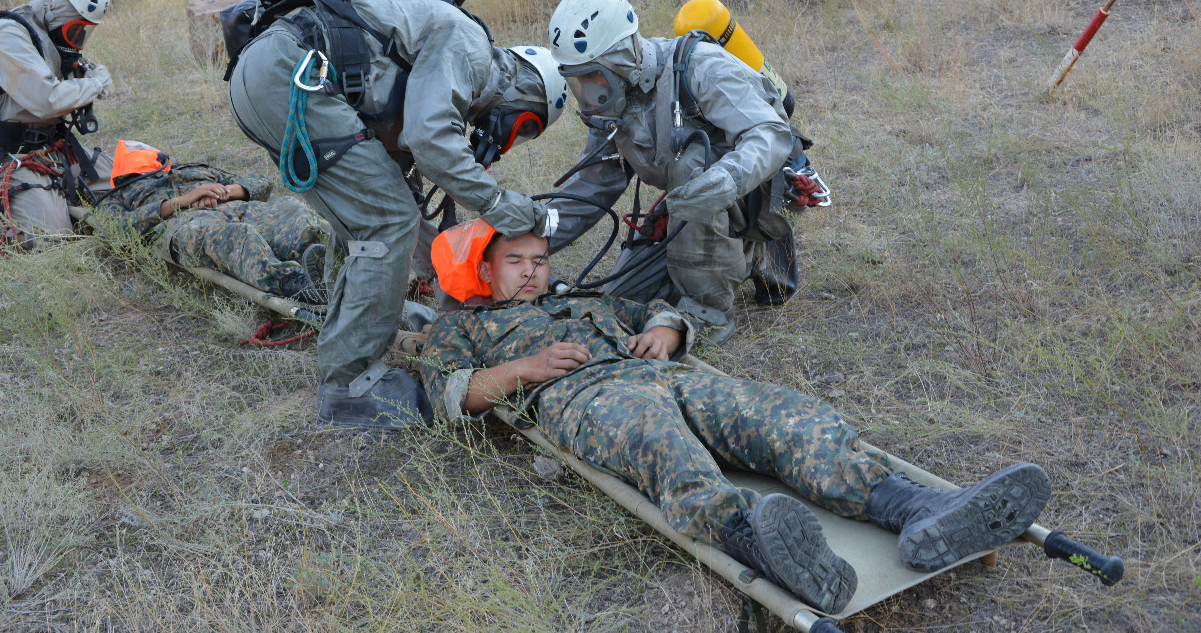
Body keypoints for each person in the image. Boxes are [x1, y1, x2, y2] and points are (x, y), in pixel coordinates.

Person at [419, 228, 1052, 615]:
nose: (531, 271)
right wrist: (525, 367)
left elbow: (655, 310)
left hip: (666, 375)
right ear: (485, 270)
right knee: (661, 444)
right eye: (515, 262)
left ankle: (915, 508)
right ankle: (759, 544)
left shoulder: (590, 302)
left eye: (539, 260)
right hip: (582, 397)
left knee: (784, 417)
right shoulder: (465, 326)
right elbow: (450, 394)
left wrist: (666, 330)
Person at [228, 0, 567, 428]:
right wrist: (500, 204)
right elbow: (429, 141)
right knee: (386, 221)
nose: (509, 139)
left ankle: (347, 323)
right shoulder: (471, 47)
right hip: (292, 71)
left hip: (263, 73)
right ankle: (350, 387)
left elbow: (397, 154)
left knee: (368, 214)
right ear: (525, 89)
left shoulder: (446, 48)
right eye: (526, 127)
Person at [545, 0, 828, 342]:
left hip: (771, 200)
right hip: (697, 202)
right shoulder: (611, 104)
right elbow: (593, 186)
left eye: (592, 76)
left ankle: (713, 308)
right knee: (619, 302)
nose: (588, 93)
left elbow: (772, 134)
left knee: (690, 162)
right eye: (577, 81)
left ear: (621, 57)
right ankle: (727, 255)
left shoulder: (700, 68)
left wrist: (725, 180)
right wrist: (536, 235)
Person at [0, 0, 115, 247]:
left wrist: (84, 72)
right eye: (76, 30)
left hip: (53, 150)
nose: (79, 41)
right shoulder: (9, 35)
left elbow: (61, 78)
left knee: (128, 181)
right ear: (54, 11)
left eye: (85, 31)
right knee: (54, 243)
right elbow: (48, 100)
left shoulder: (47, 34)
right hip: (9, 157)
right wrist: (94, 84)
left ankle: (53, 198)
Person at [93, 139, 330, 303]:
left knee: (291, 210)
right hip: (186, 223)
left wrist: (223, 191)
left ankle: (321, 261)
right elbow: (114, 230)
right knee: (236, 236)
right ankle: (295, 284)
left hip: (234, 206)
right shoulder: (119, 195)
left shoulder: (193, 169)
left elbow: (261, 182)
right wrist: (183, 201)